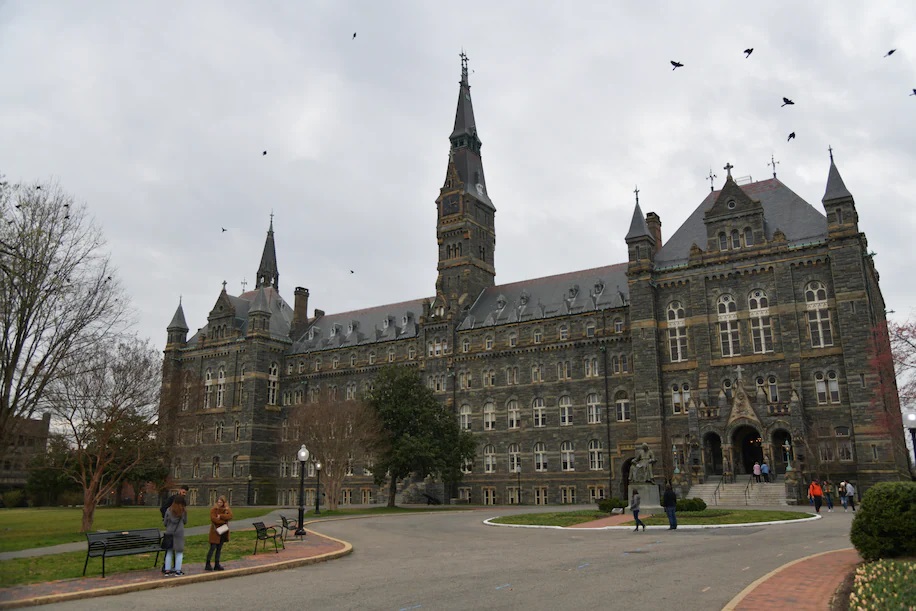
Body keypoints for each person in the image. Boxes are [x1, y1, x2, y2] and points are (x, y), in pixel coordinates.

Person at [159, 485, 188, 573]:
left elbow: (165, 523)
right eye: (183, 492)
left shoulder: (169, 510)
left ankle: (167, 569)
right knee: (179, 552)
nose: (184, 494)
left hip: (170, 531)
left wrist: (166, 520)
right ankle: (178, 570)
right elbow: (185, 521)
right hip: (179, 532)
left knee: (169, 551)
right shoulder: (183, 511)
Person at [206, 495, 233, 571]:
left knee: (219, 549)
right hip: (215, 532)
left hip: (223, 532)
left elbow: (230, 516)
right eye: (218, 502)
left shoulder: (226, 510)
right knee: (212, 548)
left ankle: (217, 564)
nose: (219, 503)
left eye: (221, 502)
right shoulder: (214, 510)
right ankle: (207, 564)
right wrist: (224, 521)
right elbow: (214, 519)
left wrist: (221, 516)